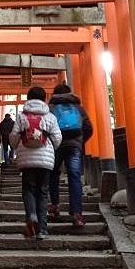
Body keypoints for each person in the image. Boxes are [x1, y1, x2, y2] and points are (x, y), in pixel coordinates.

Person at [9, 86, 62, 240]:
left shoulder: (21, 116)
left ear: (28, 99)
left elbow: (13, 138)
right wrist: (49, 143)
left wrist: (19, 144)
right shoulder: (50, 117)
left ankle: (31, 215)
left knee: (29, 189)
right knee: (43, 192)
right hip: (45, 160)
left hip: (26, 160)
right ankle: (43, 230)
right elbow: (58, 139)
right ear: (45, 99)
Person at [47, 84, 93, 227]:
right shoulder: (78, 107)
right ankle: (77, 213)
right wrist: (80, 142)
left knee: (53, 175)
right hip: (74, 146)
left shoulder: (51, 108)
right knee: (74, 177)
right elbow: (88, 127)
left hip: (57, 145)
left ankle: (54, 206)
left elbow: (46, 127)